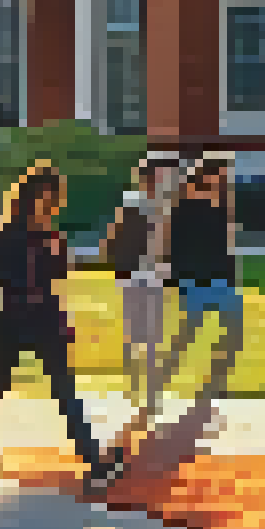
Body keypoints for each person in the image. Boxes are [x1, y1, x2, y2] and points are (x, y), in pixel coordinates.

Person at [0, 160, 117, 491]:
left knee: (65, 389)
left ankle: (93, 461)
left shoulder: (51, 235)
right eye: (42, 198)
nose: (48, 206)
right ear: (27, 198)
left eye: (52, 200)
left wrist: (58, 253)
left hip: (45, 317)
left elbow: (59, 274)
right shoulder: (6, 235)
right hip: (9, 319)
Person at [159, 153, 246, 406]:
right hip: (195, 280)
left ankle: (215, 386)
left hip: (222, 279)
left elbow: (227, 245)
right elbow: (172, 244)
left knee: (233, 335)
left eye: (226, 177)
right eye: (220, 175)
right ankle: (160, 381)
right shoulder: (184, 205)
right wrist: (174, 278)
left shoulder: (223, 205)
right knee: (186, 336)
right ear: (206, 175)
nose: (224, 180)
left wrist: (233, 277)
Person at [105, 152, 184, 417]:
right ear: (148, 178)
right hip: (136, 276)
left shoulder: (160, 205)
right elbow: (116, 242)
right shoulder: (136, 204)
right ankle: (140, 391)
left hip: (148, 276)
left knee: (147, 338)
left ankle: (145, 393)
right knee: (141, 337)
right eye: (158, 176)